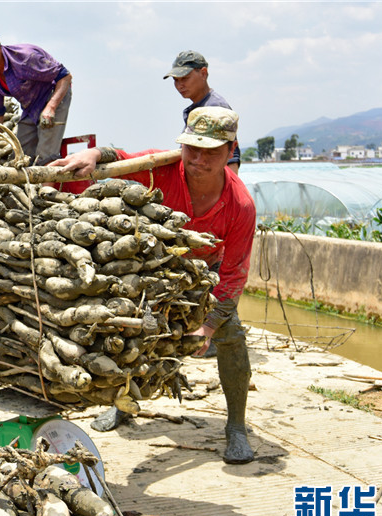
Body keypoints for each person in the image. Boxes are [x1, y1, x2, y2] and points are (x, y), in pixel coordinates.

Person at [50, 107, 256, 464]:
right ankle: (124, 404)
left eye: (212, 152)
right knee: (125, 329)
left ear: (231, 150)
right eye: (193, 148)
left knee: (231, 336)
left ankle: (236, 425)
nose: (199, 160)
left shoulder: (240, 205)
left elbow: (235, 275)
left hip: (206, 273)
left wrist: (207, 326)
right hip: (155, 267)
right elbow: (122, 158)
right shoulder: (162, 166)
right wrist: (93, 154)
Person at [0, 30, 73, 166]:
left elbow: (65, 77)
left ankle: (47, 187)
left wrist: (51, 107)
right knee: (20, 153)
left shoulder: (26, 58)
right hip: (31, 106)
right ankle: (28, 186)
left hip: (53, 95)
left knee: (46, 152)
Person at [164, 50, 241, 173]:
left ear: (203, 73)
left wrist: (230, 191)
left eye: (185, 78)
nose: (179, 85)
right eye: (176, 80)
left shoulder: (215, 108)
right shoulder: (198, 108)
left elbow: (230, 159)